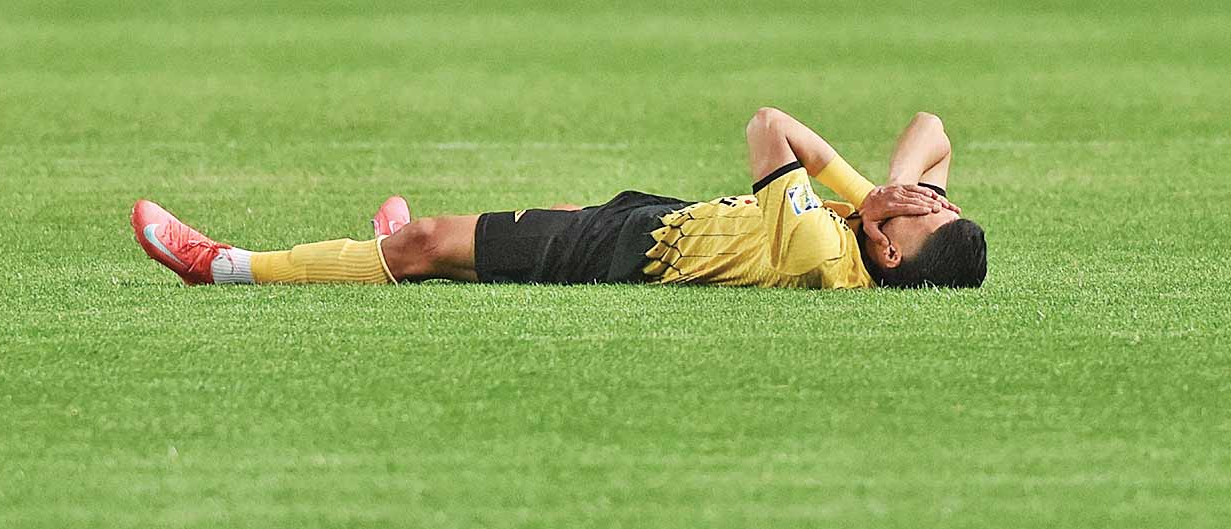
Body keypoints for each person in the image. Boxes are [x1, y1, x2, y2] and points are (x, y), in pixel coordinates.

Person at [131, 108, 987, 289]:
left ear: (887, 250)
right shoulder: (896, 238)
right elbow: (933, 129)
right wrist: (887, 191)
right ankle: (398, 254)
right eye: (937, 201)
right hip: (670, 218)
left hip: (635, 252)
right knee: (535, 218)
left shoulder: (825, 250)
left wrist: (862, 191)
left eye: (925, 211)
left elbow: (770, 127)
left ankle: (222, 266)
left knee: (428, 242)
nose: (927, 198)